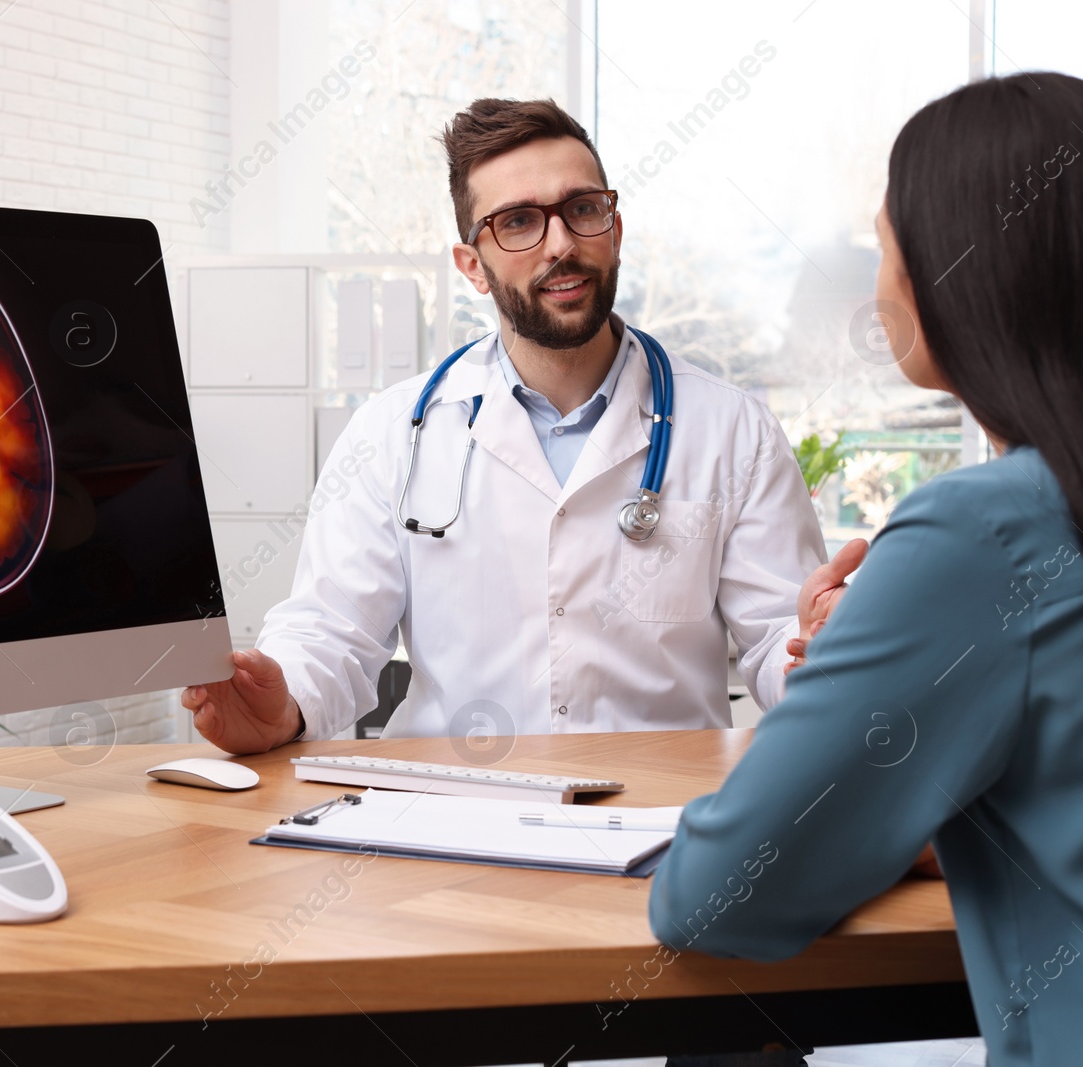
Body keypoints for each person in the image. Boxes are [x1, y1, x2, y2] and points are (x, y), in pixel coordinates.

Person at [649, 72, 1083, 1067]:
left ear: (962, 276)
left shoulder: (983, 530)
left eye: (886, 247)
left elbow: (715, 892)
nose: (876, 284)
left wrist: (876, 676)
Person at [183, 97, 837, 754]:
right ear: (472, 265)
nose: (561, 244)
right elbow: (333, 634)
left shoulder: (733, 431)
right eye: (519, 222)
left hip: (656, 821)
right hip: (450, 813)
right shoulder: (390, 435)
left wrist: (821, 658)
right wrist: (282, 705)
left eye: (582, 209)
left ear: (613, 228)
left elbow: (780, 635)